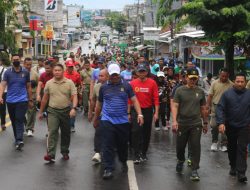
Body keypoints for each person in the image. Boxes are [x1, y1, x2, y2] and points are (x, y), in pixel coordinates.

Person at [93, 63, 143, 179]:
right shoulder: (104, 87)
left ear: (119, 74)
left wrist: (140, 114)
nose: (114, 77)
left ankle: (123, 160)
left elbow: (134, 101)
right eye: (112, 75)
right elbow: (99, 105)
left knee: (122, 146)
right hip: (107, 120)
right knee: (107, 145)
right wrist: (96, 118)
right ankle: (108, 168)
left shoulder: (126, 86)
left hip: (122, 121)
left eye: (116, 75)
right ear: (109, 75)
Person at [172, 68, 208, 181]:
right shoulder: (179, 91)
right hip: (182, 123)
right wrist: (174, 121)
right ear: (186, 77)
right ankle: (180, 160)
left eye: (195, 79)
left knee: (195, 146)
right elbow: (175, 106)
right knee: (180, 146)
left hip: (196, 123)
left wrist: (205, 122)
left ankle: (194, 169)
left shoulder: (200, 91)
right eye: (191, 78)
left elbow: (203, 108)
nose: (193, 81)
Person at [38, 64, 77, 163]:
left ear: (63, 71)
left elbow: (74, 96)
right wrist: (41, 112)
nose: (57, 72)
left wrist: (74, 108)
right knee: (52, 131)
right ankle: (50, 154)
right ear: (53, 71)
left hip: (66, 111)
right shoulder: (49, 83)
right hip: (52, 111)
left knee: (65, 133)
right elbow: (45, 99)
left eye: (59, 70)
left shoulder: (69, 83)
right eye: (55, 70)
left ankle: (64, 151)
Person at [216, 73, 250, 183]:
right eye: (238, 81)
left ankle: (241, 173)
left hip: (245, 126)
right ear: (234, 82)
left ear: (245, 82)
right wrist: (221, 123)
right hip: (230, 125)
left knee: (242, 148)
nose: (240, 83)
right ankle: (233, 166)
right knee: (231, 147)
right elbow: (220, 108)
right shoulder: (227, 94)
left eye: (242, 81)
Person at [0, 54, 33, 150]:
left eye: (17, 59)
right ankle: (17, 139)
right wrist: (0, 96)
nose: (16, 61)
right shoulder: (7, 72)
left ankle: (19, 139)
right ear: (11, 60)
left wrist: (30, 99)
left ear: (20, 60)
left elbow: (28, 87)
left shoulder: (25, 72)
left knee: (19, 118)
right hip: (10, 101)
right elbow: (2, 85)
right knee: (14, 121)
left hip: (22, 100)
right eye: (14, 59)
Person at [129, 63, 159, 164]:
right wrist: (128, 113)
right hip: (136, 111)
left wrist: (156, 113)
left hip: (148, 111)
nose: (142, 74)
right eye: (140, 72)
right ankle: (136, 154)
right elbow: (129, 99)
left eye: (143, 71)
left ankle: (143, 153)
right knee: (136, 131)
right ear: (137, 72)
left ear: (147, 72)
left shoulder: (152, 83)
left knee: (146, 132)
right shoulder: (132, 83)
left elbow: (156, 98)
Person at [206, 68, 233, 152]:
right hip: (215, 107)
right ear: (219, 75)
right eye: (222, 76)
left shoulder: (231, 85)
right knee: (214, 126)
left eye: (226, 76)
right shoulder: (214, 83)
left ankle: (224, 144)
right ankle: (214, 142)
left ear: (228, 76)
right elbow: (210, 96)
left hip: (226, 109)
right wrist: (208, 107)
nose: (224, 78)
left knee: (224, 126)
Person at [88, 69, 108, 164]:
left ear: (107, 76)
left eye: (102, 76)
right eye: (99, 76)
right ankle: (97, 152)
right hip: (100, 114)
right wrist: (90, 113)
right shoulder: (97, 87)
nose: (99, 78)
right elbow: (93, 100)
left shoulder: (113, 87)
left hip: (112, 115)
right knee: (98, 133)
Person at [64, 60, 81, 133]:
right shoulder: (63, 74)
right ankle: (64, 126)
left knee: (72, 110)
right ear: (66, 67)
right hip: (64, 96)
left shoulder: (77, 74)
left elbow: (79, 84)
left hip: (73, 96)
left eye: (71, 67)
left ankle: (72, 125)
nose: (70, 68)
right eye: (69, 67)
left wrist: (78, 93)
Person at [23, 57, 39, 137]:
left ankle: (30, 129)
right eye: (27, 65)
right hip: (21, 95)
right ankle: (26, 124)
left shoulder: (35, 74)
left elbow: (39, 85)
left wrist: (38, 95)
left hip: (32, 95)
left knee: (31, 112)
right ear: (24, 64)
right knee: (21, 113)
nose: (28, 66)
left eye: (30, 64)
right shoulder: (20, 72)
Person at [0, 58, 7, 131]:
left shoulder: (4, 70)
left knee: (2, 108)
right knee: (2, 108)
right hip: (3, 91)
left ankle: (3, 123)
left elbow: (6, 82)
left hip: (3, 92)